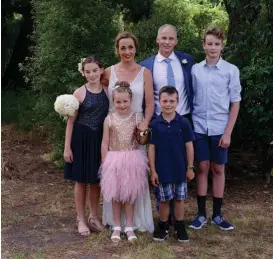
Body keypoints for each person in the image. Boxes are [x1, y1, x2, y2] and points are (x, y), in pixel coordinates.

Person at [140, 24, 194, 222]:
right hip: (159, 121)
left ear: (176, 41)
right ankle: (164, 214)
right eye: (163, 38)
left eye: (171, 38)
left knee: (179, 163)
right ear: (157, 39)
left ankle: (177, 212)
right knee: (161, 166)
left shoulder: (187, 61)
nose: (167, 42)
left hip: (183, 119)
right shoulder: (146, 65)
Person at [189, 27, 241, 231]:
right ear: (204, 45)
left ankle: (217, 215)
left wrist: (228, 132)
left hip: (220, 127)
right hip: (200, 126)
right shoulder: (195, 70)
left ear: (222, 46)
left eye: (216, 44)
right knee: (202, 167)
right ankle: (201, 214)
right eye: (209, 43)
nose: (213, 47)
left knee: (218, 168)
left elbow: (235, 103)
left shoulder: (231, 70)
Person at [101, 31, 154, 232]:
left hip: (136, 126)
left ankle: (135, 222)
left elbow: (149, 103)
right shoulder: (108, 72)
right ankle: (116, 222)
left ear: (135, 48)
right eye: (122, 48)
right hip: (114, 125)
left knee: (133, 176)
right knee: (116, 177)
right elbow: (95, 88)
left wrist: (145, 124)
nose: (127, 51)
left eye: (130, 47)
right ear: (117, 50)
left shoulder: (144, 73)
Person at [100, 81, 154, 243]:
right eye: (118, 101)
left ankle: (129, 226)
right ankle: (117, 226)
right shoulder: (109, 119)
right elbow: (104, 142)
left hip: (132, 159)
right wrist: (105, 163)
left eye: (125, 101)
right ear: (113, 101)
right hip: (114, 159)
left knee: (130, 195)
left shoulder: (137, 117)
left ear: (130, 100)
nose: (122, 105)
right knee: (116, 195)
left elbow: (142, 140)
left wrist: (143, 130)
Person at [64, 56, 109, 236]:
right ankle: (81, 218)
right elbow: (70, 122)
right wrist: (67, 147)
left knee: (96, 180)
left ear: (101, 70)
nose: (91, 75)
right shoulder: (79, 93)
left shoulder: (107, 91)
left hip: (99, 139)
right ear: (83, 73)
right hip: (81, 139)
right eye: (87, 71)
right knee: (81, 180)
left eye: (95, 71)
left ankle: (94, 216)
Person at [148, 86, 195, 242]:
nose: (168, 104)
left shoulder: (184, 122)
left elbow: (189, 146)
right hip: (162, 170)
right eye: (165, 101)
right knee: (164, 199)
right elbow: (152, 148)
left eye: (172, 101)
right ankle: (163, 225)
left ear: (178, 101)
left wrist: (190, 167)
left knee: (179, 199)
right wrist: (153, 171)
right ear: (159, 101)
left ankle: (180, 226)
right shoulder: (155, 124)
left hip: (180, 169)